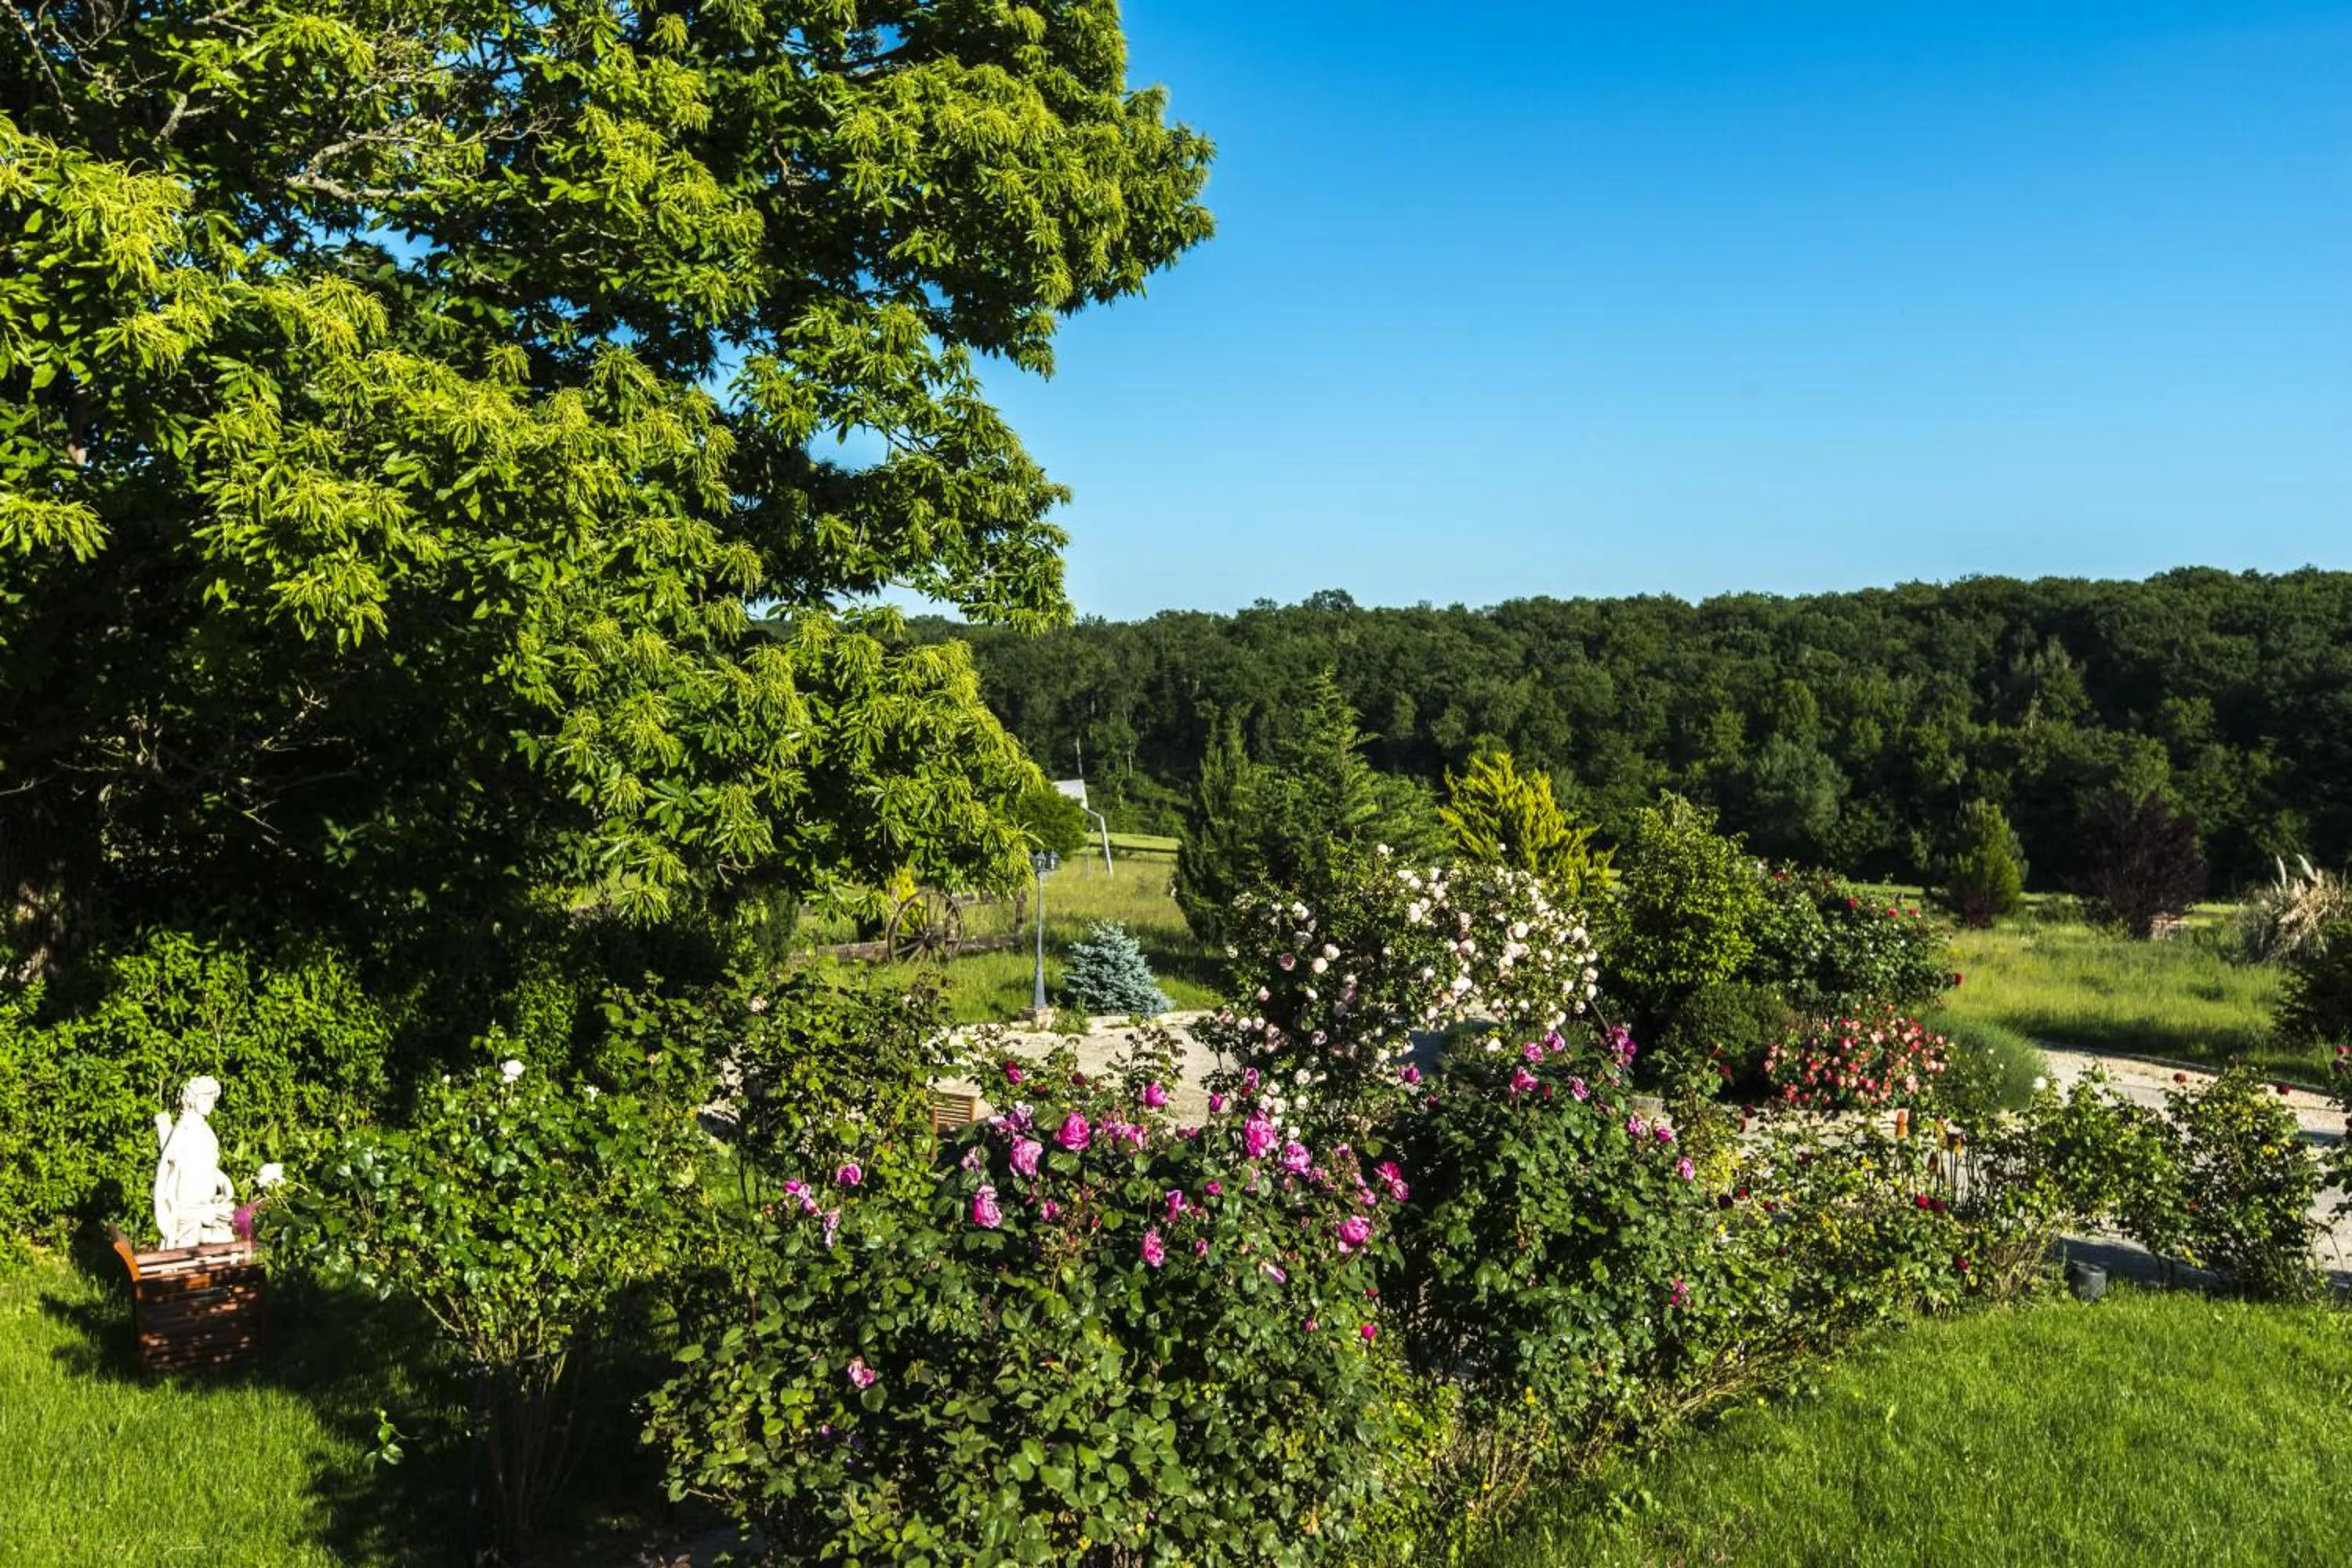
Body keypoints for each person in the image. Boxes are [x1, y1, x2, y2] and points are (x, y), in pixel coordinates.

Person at [153, 1076, 236, 1247]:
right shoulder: (184, 1131)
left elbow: (207, 1166)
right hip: (189, 1211)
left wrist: (224, 1181)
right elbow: (167, 1171)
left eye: (212, 1100)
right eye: (204, 1099)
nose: (209, 1104)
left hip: (207, 1206)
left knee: (228, 1224)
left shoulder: (205, 1130)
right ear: (192, 1099)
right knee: (189, 1249)